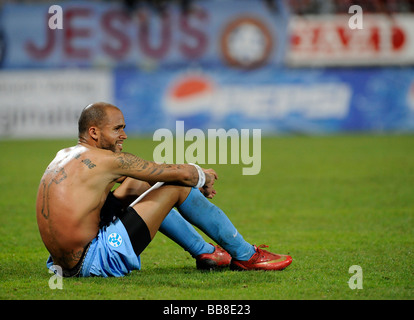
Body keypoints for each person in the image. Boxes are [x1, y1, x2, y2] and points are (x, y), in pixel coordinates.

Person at [36, 102, 292, 277]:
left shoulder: (65, 155)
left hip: (60, 264)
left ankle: (207, 254)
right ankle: (246, 256)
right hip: (91, 261)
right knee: (174, 187)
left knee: (141, 183)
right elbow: (180, 174)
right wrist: (202, 176)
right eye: (117, 129)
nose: (124, 135)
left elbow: (143, 178)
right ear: (93, 132)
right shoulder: (109, 161)